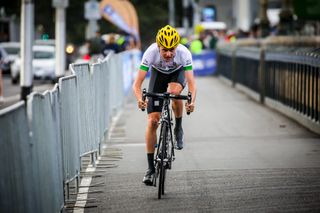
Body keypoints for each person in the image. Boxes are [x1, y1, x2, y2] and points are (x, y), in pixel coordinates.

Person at [132, 25, 197, 185]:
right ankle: (150, 169)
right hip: (158, 75)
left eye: (172, 50)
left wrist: (191, 102)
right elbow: (137, 84)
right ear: (158, 47)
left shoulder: (184, 54)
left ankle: (178, 127)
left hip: (177, 73)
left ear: (177, 47)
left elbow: (192, 84)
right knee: (153, 121)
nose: (168, 54)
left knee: (174, 92)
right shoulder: (150, 53)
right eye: (164, 50)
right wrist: (140, 99)